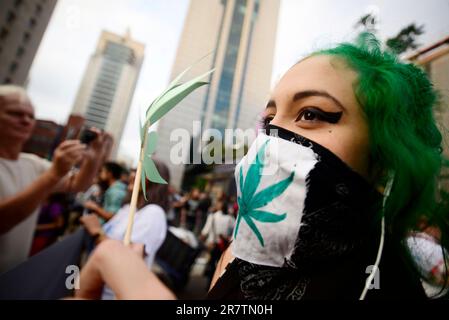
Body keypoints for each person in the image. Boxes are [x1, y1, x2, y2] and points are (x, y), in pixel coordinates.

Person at [75, 34, 449, 300]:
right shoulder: (245, 257)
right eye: (269, 122)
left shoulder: (381, 286)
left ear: (386, 160)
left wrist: (115, 265)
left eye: (311, 113)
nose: (271, 141)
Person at [0, 85, 105, 274]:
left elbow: (77, 184)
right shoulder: (44, 170)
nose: (25, 121)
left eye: (30, 116)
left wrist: (94, 158)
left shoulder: (32, 163)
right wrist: (54, 174)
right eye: (15, 114)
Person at [80, 159, 170, 299]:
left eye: (141, 171)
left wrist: (96, 232)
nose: (133, 175)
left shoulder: (153, 213)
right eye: (133, 170)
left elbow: (129, 259)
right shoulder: (128, 209)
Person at [200, 200, 235, 286]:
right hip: (223, 245)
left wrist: (202, 236)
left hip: (213, 243)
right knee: (219, 264)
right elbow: (233, 232)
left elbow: (206, 230)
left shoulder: (212, 216)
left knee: (211, 262)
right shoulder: (230, 218)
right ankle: (214, 282)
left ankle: (209, 283)